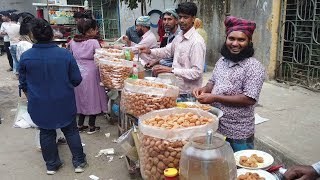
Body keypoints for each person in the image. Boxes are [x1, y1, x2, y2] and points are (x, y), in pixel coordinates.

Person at [18, 18, 87, 174]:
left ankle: (52, 164)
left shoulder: (26, 57)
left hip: (39, 102)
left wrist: (32, 96)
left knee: (46, 131)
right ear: (52, 35)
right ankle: (79, 162)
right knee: (70, 130)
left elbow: (23, 83)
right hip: (64, 101)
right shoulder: (65, 54)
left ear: (32, 35)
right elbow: (76, 79)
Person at [193, 16, 266, 152]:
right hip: (216, 125)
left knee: (240, 167)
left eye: (241, 40)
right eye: (231, 38)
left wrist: (214, 97)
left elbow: (249, 99)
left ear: (249, 42)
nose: (235, 43)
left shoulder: (254, 67)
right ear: (226, 39)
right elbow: (213, 81)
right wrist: (204, 90)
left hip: (238, 131)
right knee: (220, 165)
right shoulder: (222, 61)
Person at [139, 2, 206, 99]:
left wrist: (172, 70)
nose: (182, 21)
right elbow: (168, 51)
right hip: (176, 89)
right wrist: (149, 51)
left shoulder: (197, 42)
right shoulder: (179, 36)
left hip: (187, 94)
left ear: (193, 19)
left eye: (186, 17)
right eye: (180, 17)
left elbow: (197, 72)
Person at [69, 18, 107, 134]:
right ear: (90, 31)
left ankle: (80, 125)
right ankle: (92, 126)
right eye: (96, 29)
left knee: (80, 98)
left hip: (78, 72)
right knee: (93, 98)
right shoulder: (94, 42)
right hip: (91, 73)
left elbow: (71, 55)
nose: (97, 31)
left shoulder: (73, 41)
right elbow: (101, 57)